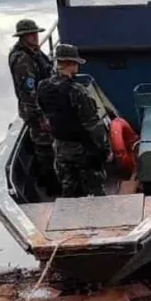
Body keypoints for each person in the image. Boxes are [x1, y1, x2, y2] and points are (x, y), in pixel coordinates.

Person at [36, 44, 112, 198]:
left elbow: (44, 115)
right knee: (95, 191)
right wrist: (105, 150)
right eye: (76, 63)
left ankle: (69, 211)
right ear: (70, 64)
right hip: (83, 150)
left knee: (69, 188)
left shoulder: (43, 87)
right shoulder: (77, 91)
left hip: (60, 148)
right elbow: (93, 126)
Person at [8, 19, 60, 196]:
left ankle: (54, 180)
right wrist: (40, 118)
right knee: (44, 148)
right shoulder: (22, 60)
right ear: (23, 37)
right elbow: (28, 93)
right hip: (37, 111)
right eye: (31, 35)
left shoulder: (34, 52)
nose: (35, 37)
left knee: (50, 145)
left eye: (35, 33)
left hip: (46, 106)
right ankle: (51, 187)